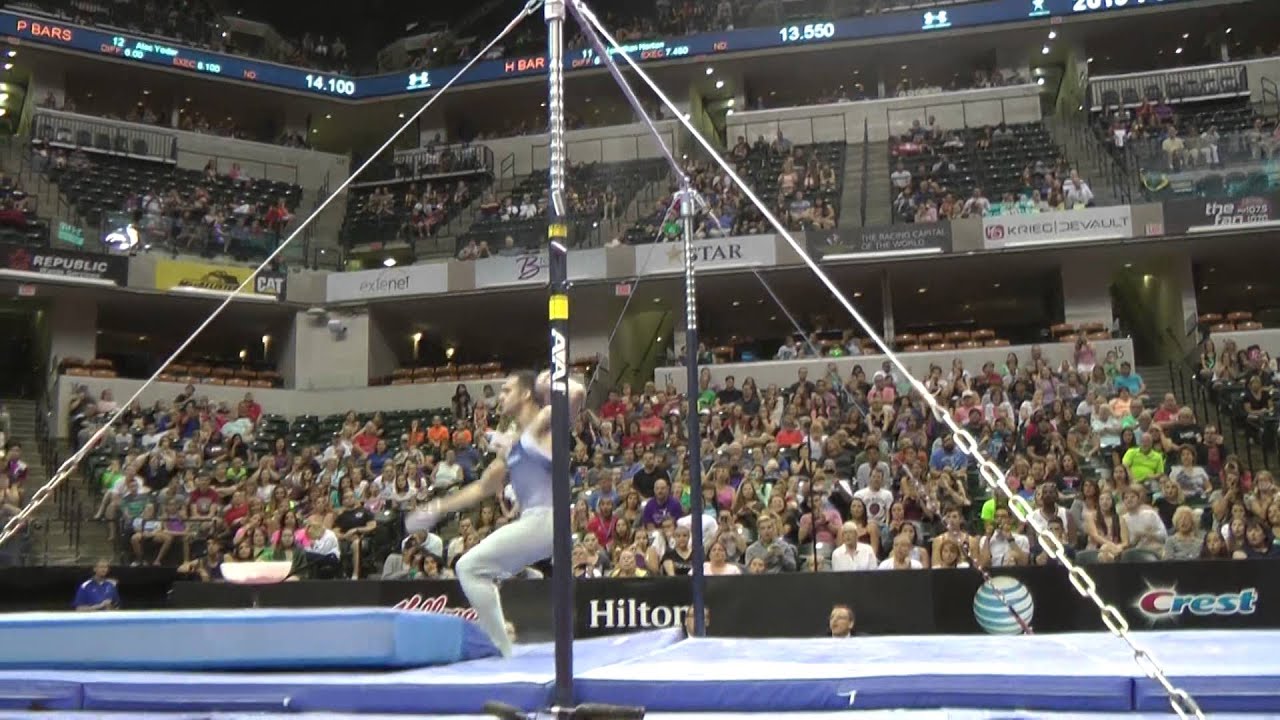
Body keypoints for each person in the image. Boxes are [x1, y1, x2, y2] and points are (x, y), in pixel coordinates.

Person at [406, 370, 584, 657]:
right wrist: (437, 508)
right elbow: (483, 488)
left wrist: (549, 379)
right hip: (534, 522)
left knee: (469, 568)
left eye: (506, 390)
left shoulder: (545, 422)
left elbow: (576, 394)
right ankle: (505, 638)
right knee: (474, 569)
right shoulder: (512, 443)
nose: (500, 396)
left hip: (549, 518)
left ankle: (504, 648)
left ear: (526, 394)